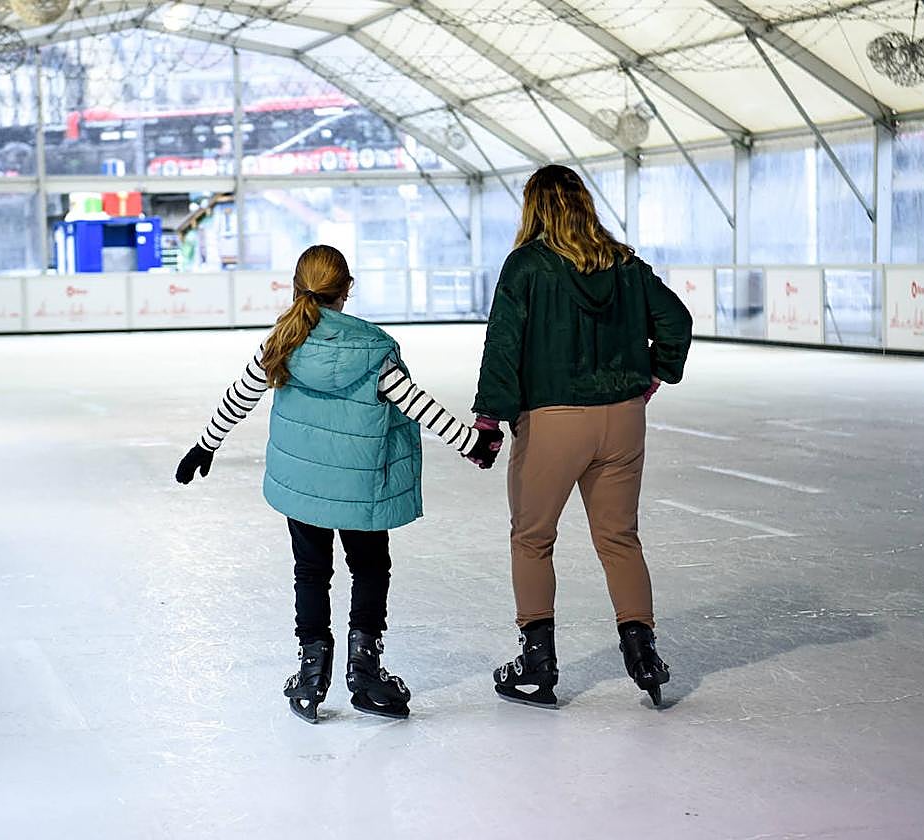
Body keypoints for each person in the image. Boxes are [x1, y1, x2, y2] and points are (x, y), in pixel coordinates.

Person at [176, 244, 503, 724]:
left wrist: (205, 445)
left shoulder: (281, 343)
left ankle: (311, 675)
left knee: (310, 572)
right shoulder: (372, 352)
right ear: (347, 289)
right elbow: (415, 403)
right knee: (369, 569)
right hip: (361, 486)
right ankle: (365, 671)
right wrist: (470, 444)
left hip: (303, 486)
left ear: (295, 287)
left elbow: (238, 396)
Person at [472, 164, 693, 708]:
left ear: (535, 208)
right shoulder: (622, 263)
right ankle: (644, 653)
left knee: (532, 537)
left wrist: (489, 418)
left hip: (553, 422)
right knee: (619, 539)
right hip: (622, 418)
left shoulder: (525, 266)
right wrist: (654, 373)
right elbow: (676, 320)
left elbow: (504, 344)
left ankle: (538, 662)